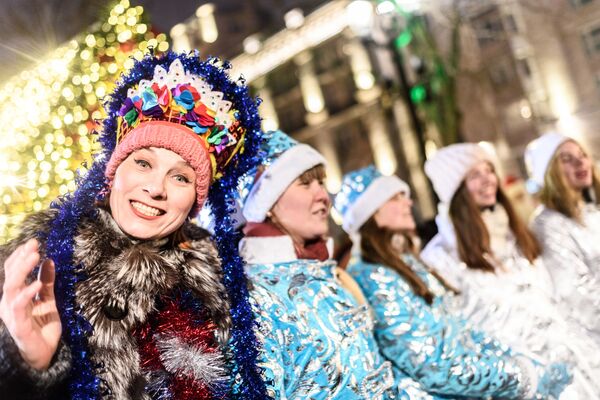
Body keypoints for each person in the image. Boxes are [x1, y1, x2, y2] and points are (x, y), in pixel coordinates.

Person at [0, 52, 268, 399]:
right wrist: (28, 364)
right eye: (143, 163)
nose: (156, 188)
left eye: (181, 177)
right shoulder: (38, 261)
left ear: (194, 202)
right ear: (114, 169)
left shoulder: (218, 276)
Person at [334, 165, 575, 399]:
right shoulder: (372, 275)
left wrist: (520, 361)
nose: (409, 203)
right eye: (396, 198)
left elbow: (461, 328)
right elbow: (433, 365)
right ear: (372, 212)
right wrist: (521, 378)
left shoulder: (406, 261)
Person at [237, 130, 436, 399]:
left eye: (321, 183)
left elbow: (380, 376)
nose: (323, 196)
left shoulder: (332, 275)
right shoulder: (253, 296)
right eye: (305, 184)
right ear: (266, 203)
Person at [420, 143, 600, 398]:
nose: (488, 180)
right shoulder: (440, 257)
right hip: (525, 381)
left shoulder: (513, 234)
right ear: (455, 190)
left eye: (489, 171)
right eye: (474, 175)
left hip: (577, 364)